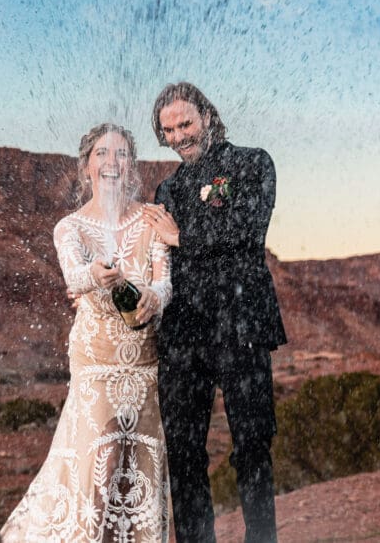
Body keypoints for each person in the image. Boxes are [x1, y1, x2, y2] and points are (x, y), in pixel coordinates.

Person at [0, 123, 172, 542]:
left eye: (122, 154)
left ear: (132, 165)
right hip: (97, 362)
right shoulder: (70, 228)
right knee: (100, 464)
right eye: (102, 154)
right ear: (87, 166)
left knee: (141, 465)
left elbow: (166, 282)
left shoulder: (151, 219)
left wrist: (154, 296)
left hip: (144, 363)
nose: (112, 162)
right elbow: (74, 278)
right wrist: (95, 274)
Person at [142, 82, 287, 543]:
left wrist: (181, 237)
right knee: (184, 455)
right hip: (183, 336)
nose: (180, 135)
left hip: (241, 325)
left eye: (186, 123)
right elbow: (155, 260)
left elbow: (247, 231)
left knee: (252, 447)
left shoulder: (252, 163)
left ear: (207, 116)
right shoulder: (167, 188)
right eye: (169, 130)